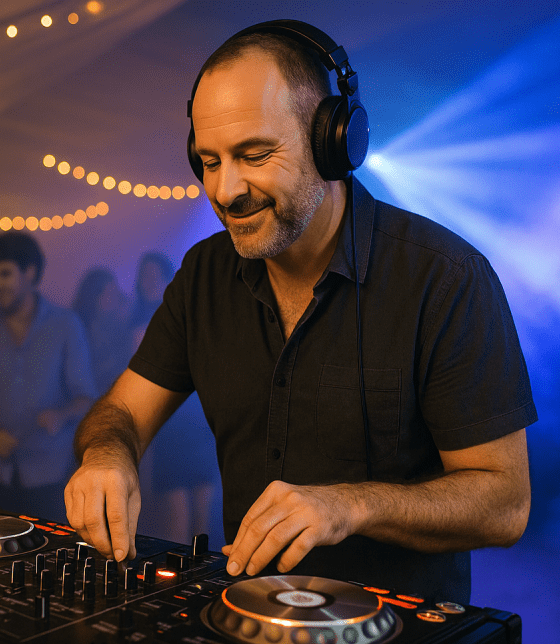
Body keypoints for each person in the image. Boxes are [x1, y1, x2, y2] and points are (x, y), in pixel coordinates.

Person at [65, 21, 535, 603]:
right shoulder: (204, 275)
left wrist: (349, 505)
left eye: (254, 154)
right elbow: (120, 412)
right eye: (209, 161)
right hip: (248, 622)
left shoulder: (444, 278)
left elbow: (505, 503)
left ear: (332, 142)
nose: (225, 189)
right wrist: (109, 454)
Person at [0, 232, 96, 522]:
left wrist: (61, 414)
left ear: (29, 272)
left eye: (4, 274)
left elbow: (86, 397)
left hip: (50, 474)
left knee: (47, 560)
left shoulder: (65, 325)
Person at [127, 252, 220, 545]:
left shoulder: (192, 316)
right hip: (170, 424)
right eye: (145, 277)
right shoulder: (139, 326)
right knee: (177, 520)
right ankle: (184, 582)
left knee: (203, 516)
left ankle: (204, 582)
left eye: (156, 276)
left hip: (200, 421)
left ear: (169, 279)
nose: (150, 282)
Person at [72, 267, 134, 393]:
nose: (117, 298)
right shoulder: (77, 331)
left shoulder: (122, 330)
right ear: (94, 297)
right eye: (110, 294)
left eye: (116, 293)